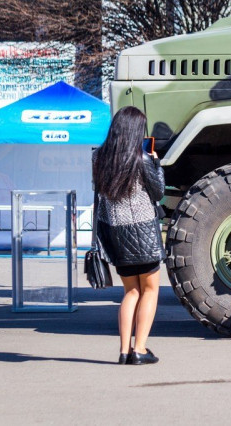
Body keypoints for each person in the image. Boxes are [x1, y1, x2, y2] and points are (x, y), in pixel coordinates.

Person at [92, 106, 166, 365]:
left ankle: (124, 351)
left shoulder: (98, 158)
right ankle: (140, 349)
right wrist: (155, 163)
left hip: (115, 232)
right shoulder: (141, 158)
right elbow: (158, 192)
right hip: (142, 231)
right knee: (150, 290)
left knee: (131, 292)